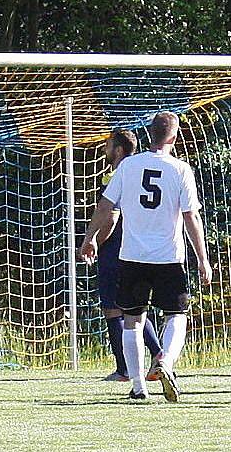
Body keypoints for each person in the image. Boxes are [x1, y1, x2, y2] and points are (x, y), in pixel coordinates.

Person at [81, 112, 212, 401]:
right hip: (168, 257)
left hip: (132, 256)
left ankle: (139, 387)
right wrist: (203, 258)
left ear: (149, 134)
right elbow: (191, 217)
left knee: (132, 320)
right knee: (177, 315)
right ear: (174, 138)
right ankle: (165, 362)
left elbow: (105, 206)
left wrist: (89, 239)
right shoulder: (180, 170)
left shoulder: (128, 166)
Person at [91, 129, 163, 383]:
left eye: (108, 145)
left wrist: (94, 242)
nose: (105, 149)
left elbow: (111, 215)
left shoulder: (117, 175)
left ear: (118, 149)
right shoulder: (139, 171)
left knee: (113, 309)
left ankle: (124, 370)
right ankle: (158, 355)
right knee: (135, 308)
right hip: (136, 246)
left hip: (115, 248)